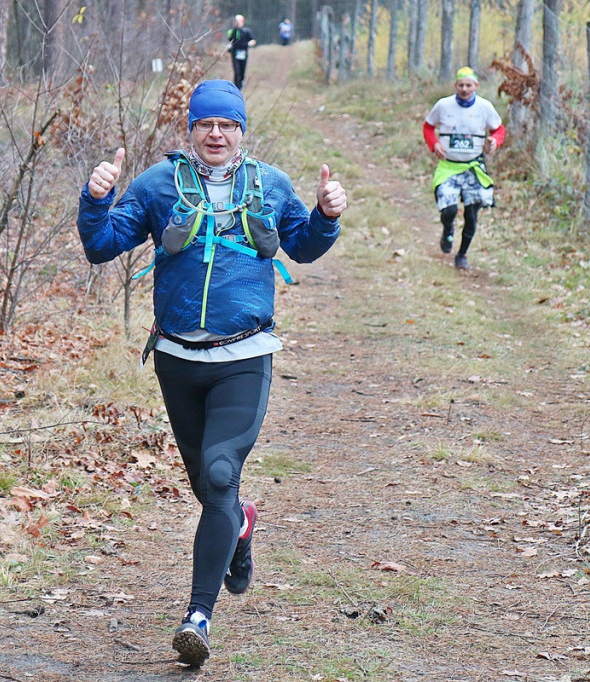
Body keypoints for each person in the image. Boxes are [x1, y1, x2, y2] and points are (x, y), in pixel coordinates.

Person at [76, 80, 348, 667]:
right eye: (206, 125)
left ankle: (197, 617)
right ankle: (241, 529)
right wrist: (96, 197)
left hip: (244, 355)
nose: (217, 134)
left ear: (242, 131)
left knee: (221, 475)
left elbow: (301, 247)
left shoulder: (269, 185)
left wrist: (326, 214)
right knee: (210, 490)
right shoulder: (157, 185)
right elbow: (101, 245)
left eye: (228, 125)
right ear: (191, 130)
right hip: (177, 360)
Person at [423, 66, 505, 270]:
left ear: (476, 86)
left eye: (469, 85)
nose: (465, 89)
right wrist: (435, 144)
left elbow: (499, 130)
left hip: (473, 167)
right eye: (461, 85)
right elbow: (428, 127)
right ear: (455, 86)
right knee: (449, 210)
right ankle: (447, 229)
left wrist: (494, 141)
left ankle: (462, 255)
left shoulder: (485, 107)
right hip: (448, 166)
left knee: (471, 215)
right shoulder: (443, 105)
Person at [226, 15, 257, 90]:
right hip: (235, 53)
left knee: (242, 70)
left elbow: (253, 40)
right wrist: (229, 46)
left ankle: (241, 83)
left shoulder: (246, 31)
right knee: (236, 70)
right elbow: (230, 41)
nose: (237, 23)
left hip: (243, 53)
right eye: (236, 21)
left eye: (239, 21)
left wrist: (250, 44)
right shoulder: (232, 31)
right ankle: (236, 87)